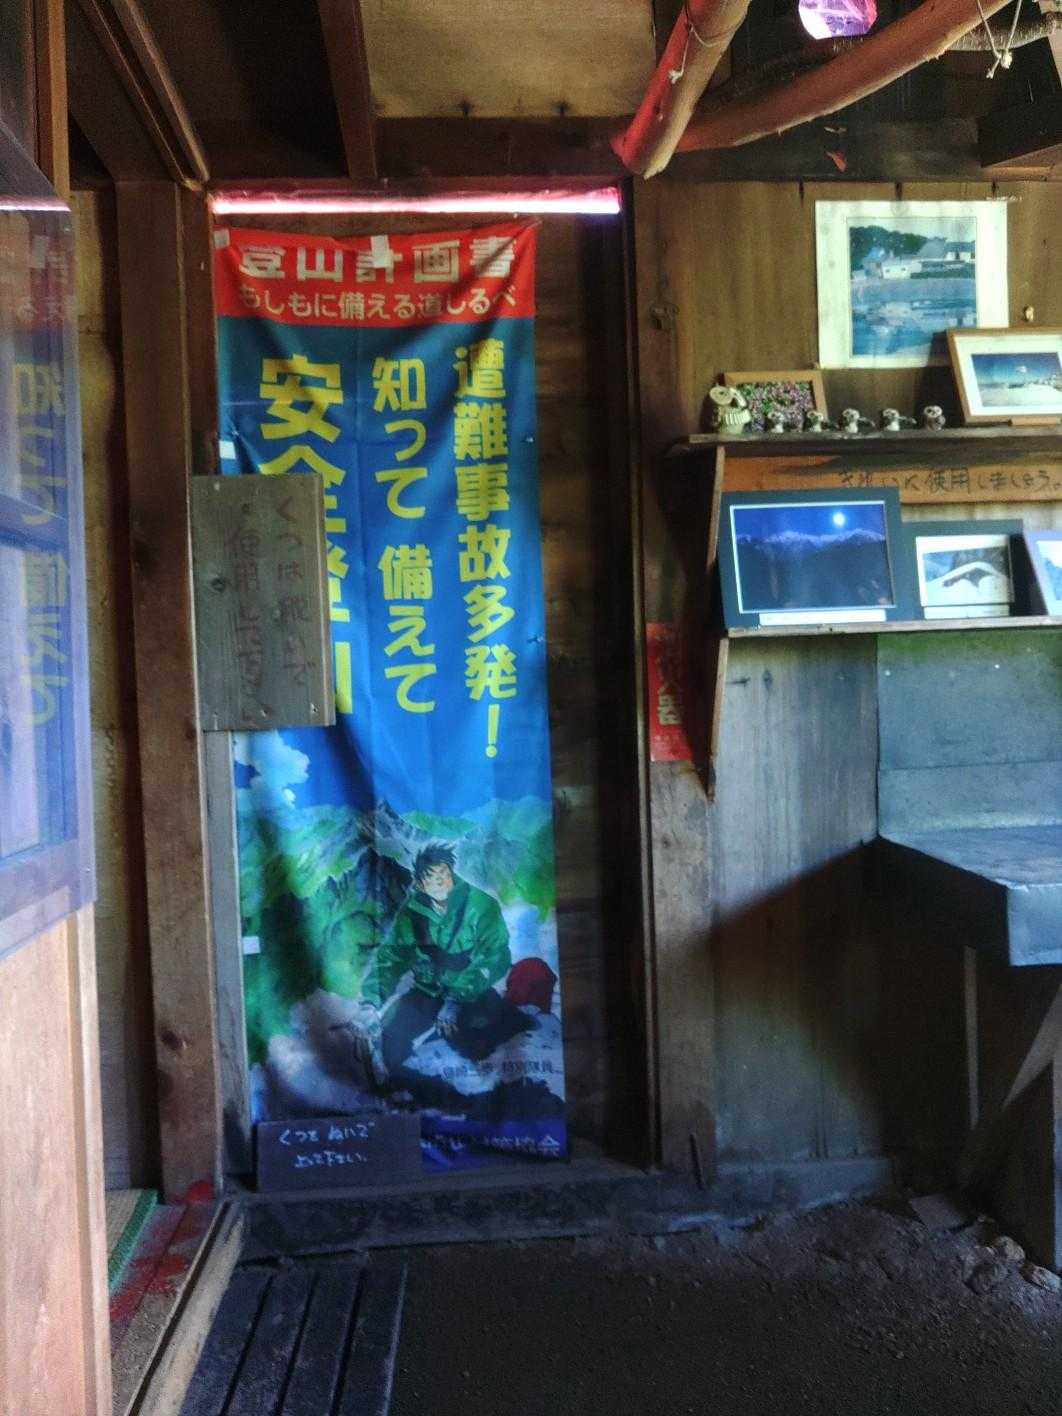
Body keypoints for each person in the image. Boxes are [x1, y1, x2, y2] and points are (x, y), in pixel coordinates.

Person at [361, 845, 532, 1076]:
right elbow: (391, 958)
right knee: (389, 1043)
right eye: (431, 877)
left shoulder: (481, 905)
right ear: (420, 884)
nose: (440, 881)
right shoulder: (411, 913)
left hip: (471, 993)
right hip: (426, 993)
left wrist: (456, 998)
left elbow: (496, 956)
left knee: (478, 1052)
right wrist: (370, 1003)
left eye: (444, 873)